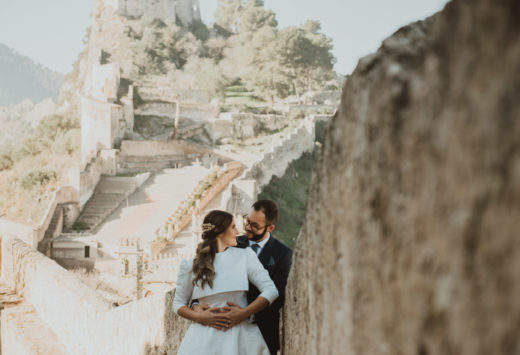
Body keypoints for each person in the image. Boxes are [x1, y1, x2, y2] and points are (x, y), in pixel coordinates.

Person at [173, 210, 278, 355]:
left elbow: (271, 290)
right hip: (202, 340)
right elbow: (178, 303)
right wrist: (199, 316)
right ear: (218, 230)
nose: (238, 231)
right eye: (233, 227)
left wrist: (244, 313)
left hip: (240, 337)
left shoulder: (245, 256)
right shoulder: (190, 265)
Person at [231, 200, 293, 355]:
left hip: (263, 331)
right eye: (247, 221)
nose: (247, 228)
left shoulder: (283, 254)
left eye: (255, 226)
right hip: (230, 329)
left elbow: (278, 294)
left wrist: (245, 313)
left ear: (270, 227)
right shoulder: (232, 244)